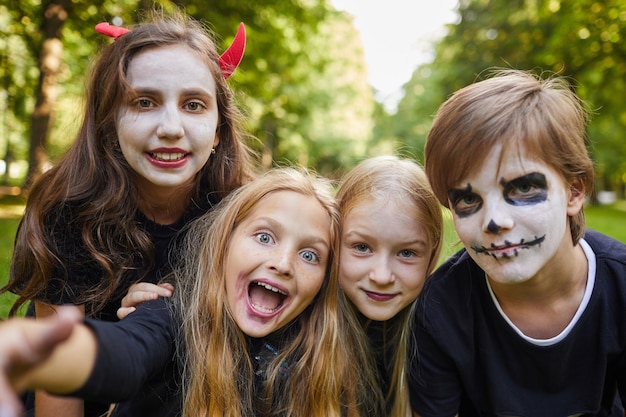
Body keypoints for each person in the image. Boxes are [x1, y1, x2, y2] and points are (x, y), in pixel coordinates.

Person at [0, 9, 256, 417]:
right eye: (144, 102)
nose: (171, 127)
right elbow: (59, 389)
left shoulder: (241, 216)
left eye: (193, 104)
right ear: (110, 122)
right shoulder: (69, 213)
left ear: (218, 130)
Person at [0, 167, 385, 417]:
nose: (283, 263)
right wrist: (39, 351)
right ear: (224, 243)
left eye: (309, 254)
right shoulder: (171, 313)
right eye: (265, 236)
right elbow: (125, 353)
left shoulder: (322, 349)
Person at [408, 69, 626, 416]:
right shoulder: (440, 308)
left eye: (522, 188)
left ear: (574, 190)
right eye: (467, 199)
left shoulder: (621, 285)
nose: (495, 221)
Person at [335, 155, 443, 417]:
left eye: (406, 253)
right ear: (333, 239)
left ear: (432, 253)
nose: (382, 276)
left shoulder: (439, 333)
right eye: (362, 247)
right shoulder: (303, 331)